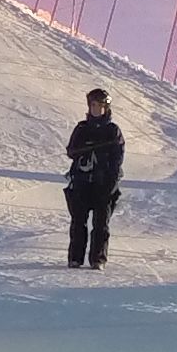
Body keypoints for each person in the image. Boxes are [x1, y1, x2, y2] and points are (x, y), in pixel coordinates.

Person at [64, 88, 125, 268]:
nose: (96, 110)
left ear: (106, 108)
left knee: (101, 225)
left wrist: (111, 184)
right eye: (93, 106)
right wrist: (86, 148)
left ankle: (97, 259)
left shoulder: (113, 131)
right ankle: (75, 258)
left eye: (100, 106)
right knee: (78, 223)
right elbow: (71, 151)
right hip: (82, 182)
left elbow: (117, 159)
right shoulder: (82, 128)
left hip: (103, 184)